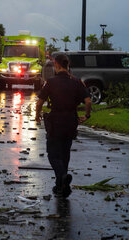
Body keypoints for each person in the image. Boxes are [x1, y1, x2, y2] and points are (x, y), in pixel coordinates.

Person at [35, 53, 92, 198]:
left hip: (55, 120)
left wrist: (37, 116)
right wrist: (86, 116)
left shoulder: (51, 82)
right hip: (71, 121)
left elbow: (39, 103)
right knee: (65, 153)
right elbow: (88, 101)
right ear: (68, 65)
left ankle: (61, 176)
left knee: (53, 154)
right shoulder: (77, 81)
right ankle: (61, 185)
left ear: (57, 65)